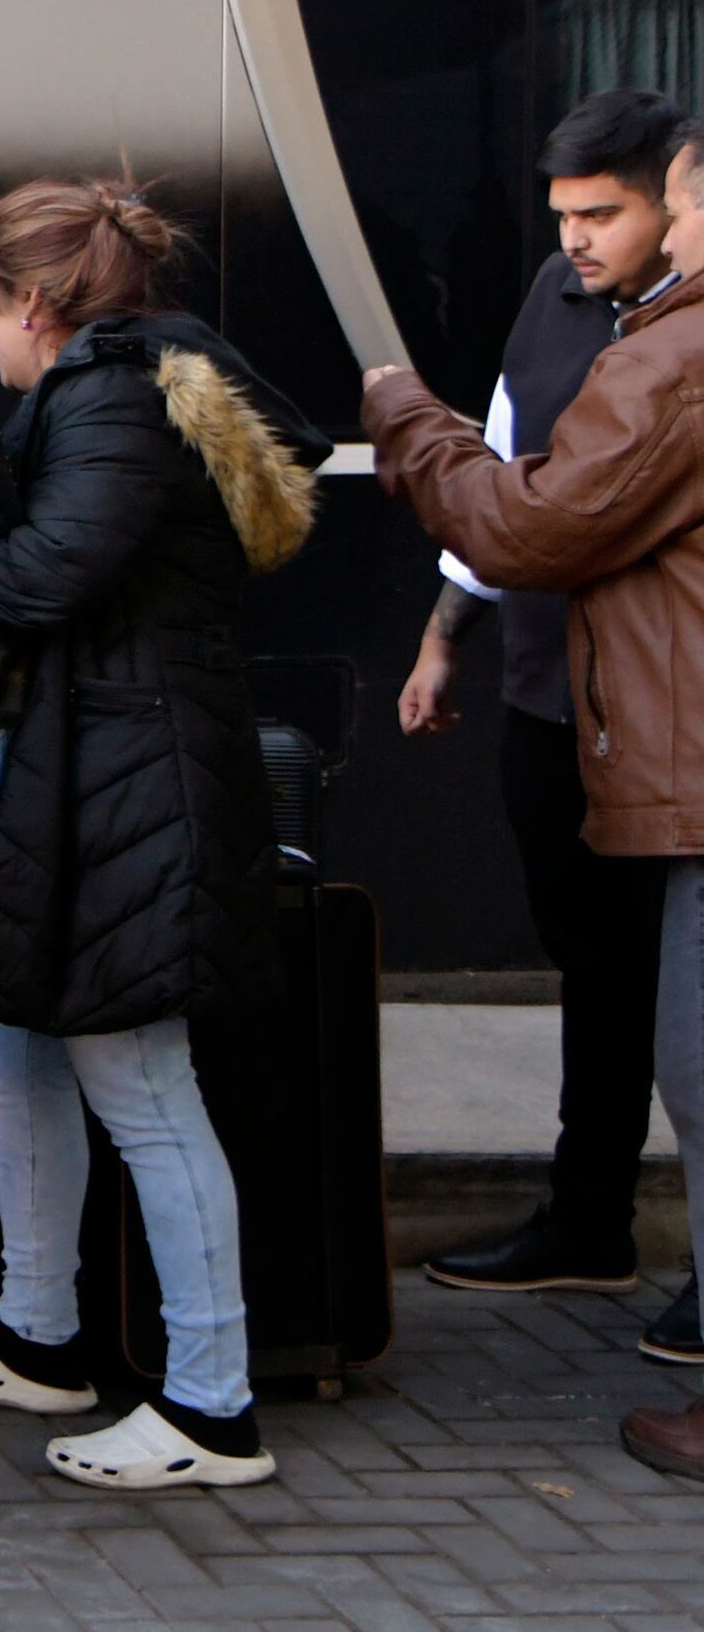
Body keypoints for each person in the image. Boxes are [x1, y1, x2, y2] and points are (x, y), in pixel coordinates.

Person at [0, 179, 328, 1493]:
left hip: (136, 774)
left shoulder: (109, 399)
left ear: (30, 303)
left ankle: (208, 1404)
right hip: (97, 762)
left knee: (138, 1081)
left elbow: (42, 576)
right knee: (22, 1049)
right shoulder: (119, 386)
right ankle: (34, 1332)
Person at [366, 120, 704, 1483]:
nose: (597, 239)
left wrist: (398, 412)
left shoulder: (674, 352)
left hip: (668, 749)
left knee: (689, 1043)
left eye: (636, 211)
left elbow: (520, 519)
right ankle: (584, 1214)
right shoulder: (588, 314)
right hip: (601, 723)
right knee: (614, 985)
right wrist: (449, 631)